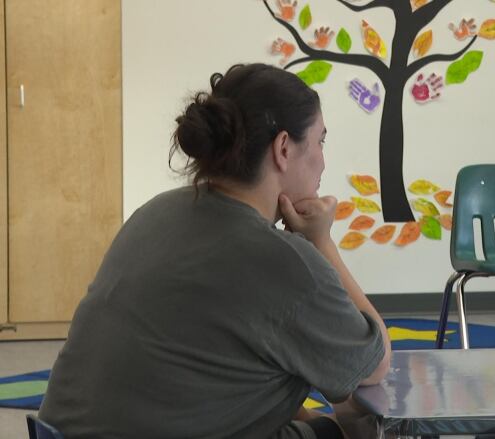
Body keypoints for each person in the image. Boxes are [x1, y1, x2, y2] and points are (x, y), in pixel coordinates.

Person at [39, 63, 391, 439]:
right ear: (283, 148)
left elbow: (213, 373)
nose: (323, 159)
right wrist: (321, 242)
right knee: (360, 427)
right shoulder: (283, 261)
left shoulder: (156, 212)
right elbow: (374, 363)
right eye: (320, 141)